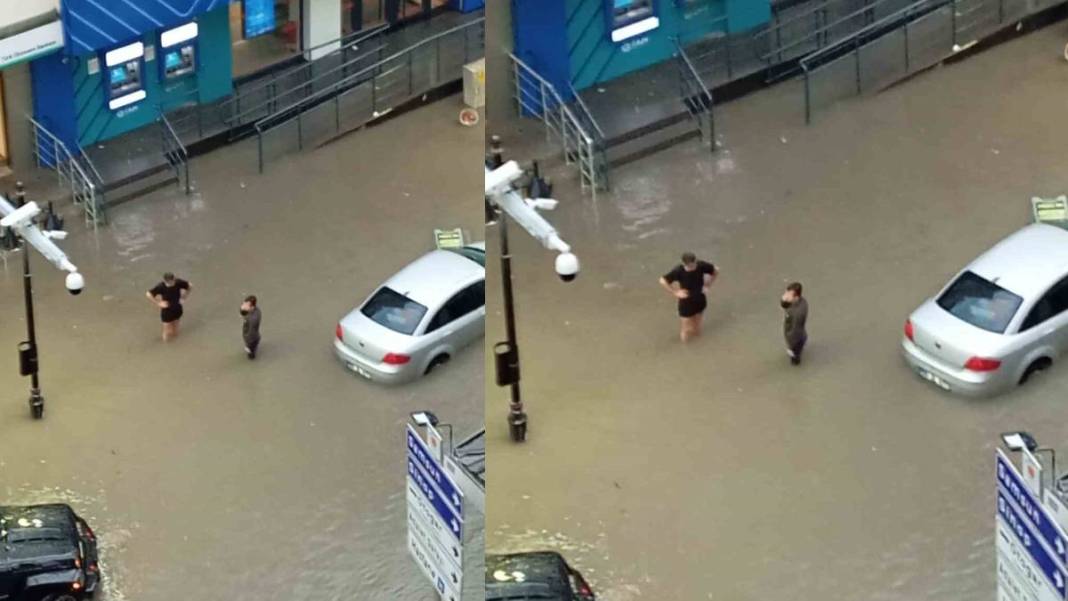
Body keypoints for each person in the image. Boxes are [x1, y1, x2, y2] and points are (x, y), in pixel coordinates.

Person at [659, 252, 719, 343]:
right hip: (686, 302)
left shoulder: (701, 265)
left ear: (696, 261)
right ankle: (686, 349)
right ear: (683, 264)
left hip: (700, 299)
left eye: (693, 265)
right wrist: (675, 292)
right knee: (685, 328)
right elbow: (662, 280)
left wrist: (708, 285)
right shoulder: (679, 271)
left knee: (697, 326)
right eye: (689, 266)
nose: (691, 268)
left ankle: (700, 346)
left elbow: (716, 270)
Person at [146, 272, 191, 342]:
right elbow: (148, 294)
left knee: (176, 328)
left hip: (177, 308)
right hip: (167, 311)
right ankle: (166, 346)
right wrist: (158, 303)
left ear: (174, 278)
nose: (170, 284)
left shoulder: (178, 282)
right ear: (164, 281)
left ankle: (176, 343)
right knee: (166, 330)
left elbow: (190, 285)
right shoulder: (161, 286)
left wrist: (184, 297)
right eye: (168, 282)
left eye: (172, 282)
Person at [781, 282, 809, 366]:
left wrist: (791, 346)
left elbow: (794, 331)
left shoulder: (797, 313)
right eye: (786, 292)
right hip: (800, 332)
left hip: (796, 339)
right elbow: (784, 305)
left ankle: (796, 361)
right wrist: (784, 300)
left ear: (796, 297)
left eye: (788, 295)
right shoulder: (798, 301)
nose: (785, 296)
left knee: (795, 356)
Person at [241, 295, 262, 360]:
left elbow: (251, 333)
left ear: (252, 307)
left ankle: (252, 356)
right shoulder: (253, 310)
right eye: (244, 303)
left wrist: (248, 346)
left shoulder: (253, 319)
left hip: (252, 339)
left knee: (251, 354)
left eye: (246, 305)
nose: (243, 306)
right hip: (251, 333)